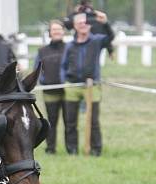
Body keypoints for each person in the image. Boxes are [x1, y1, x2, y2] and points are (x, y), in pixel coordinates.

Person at [61, 11, 113, 156]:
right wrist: (63, 80)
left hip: (92, 86)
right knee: (71, 121)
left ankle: (96, 150)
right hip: (72, 86)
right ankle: (72, 150)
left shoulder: (97, 41)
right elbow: (63, 66)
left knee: (93, 121)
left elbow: (110, 38)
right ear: (75, 27)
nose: (83, 25)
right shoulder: (70, 46)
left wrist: (105, 23)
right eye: (80, 23)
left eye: (85, 22)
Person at [34, 20, 66, 154]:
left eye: (59, 29)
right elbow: (37, 69)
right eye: (54, 30)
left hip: (67, 91)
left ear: (63, 32)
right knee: (51, 122)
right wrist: (43, 81)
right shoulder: (42, 51)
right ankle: (50, 148)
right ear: (50, 33)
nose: (57, 32)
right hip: (49, 91)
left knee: (70, 122)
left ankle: (72, 149)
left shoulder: (69, 48)